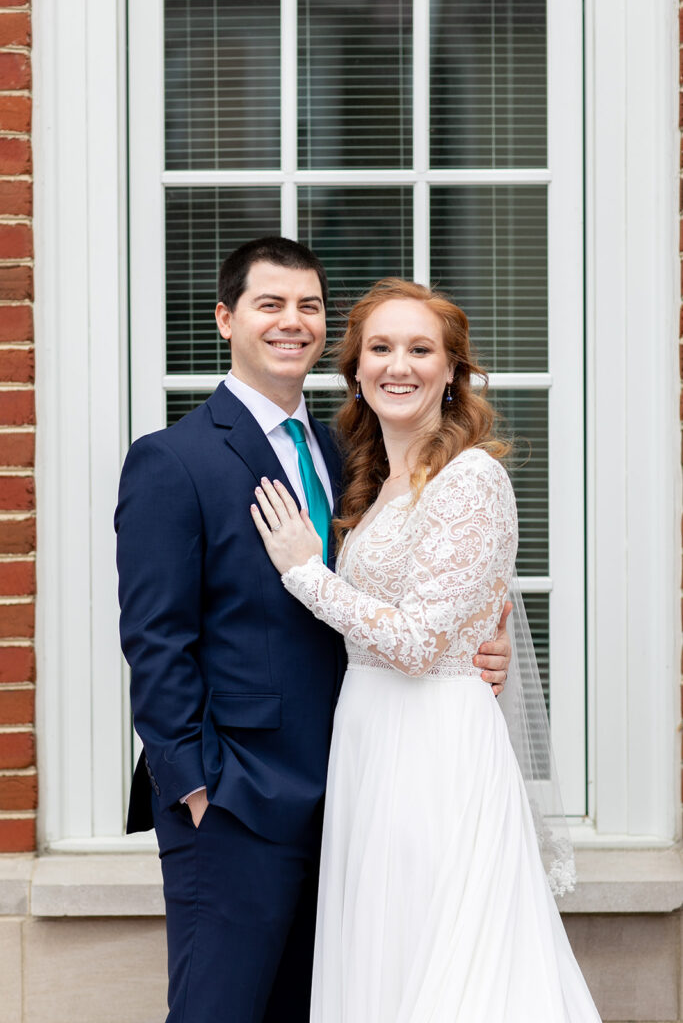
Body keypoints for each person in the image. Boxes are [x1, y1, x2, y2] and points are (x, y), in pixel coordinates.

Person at [115, 239, 512, 1023]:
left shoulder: (357, 455)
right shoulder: (172, 461)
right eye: (269, 304)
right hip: (236, 800)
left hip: (360, 795)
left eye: (309, 307)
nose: (291, 322)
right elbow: (155, 640)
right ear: (226, 319)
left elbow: (404, 600)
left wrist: (473, 650)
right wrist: (195, 786)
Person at [252, 278, 601, 1021]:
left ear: (452, 371)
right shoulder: (372, 483)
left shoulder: (471, 478)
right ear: (354, 371)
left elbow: (417, 644)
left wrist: (305, 574)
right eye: (379, 348)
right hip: (370, 741)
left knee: (448, 961)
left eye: (420, 349)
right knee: (385, 954)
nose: (398, 366)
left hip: (435, 749)